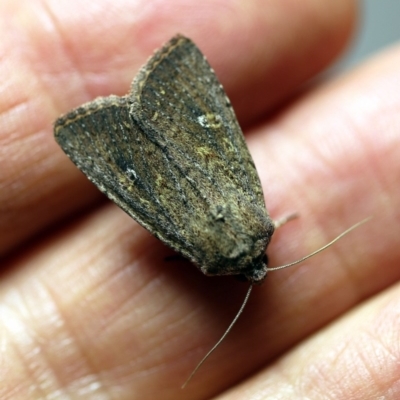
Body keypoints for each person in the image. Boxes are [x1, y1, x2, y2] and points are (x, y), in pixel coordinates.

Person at [1, 1, 399, 398]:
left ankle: (123, 117)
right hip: (164, 174)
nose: (258, 272)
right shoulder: (212, 261)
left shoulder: (252, 233)